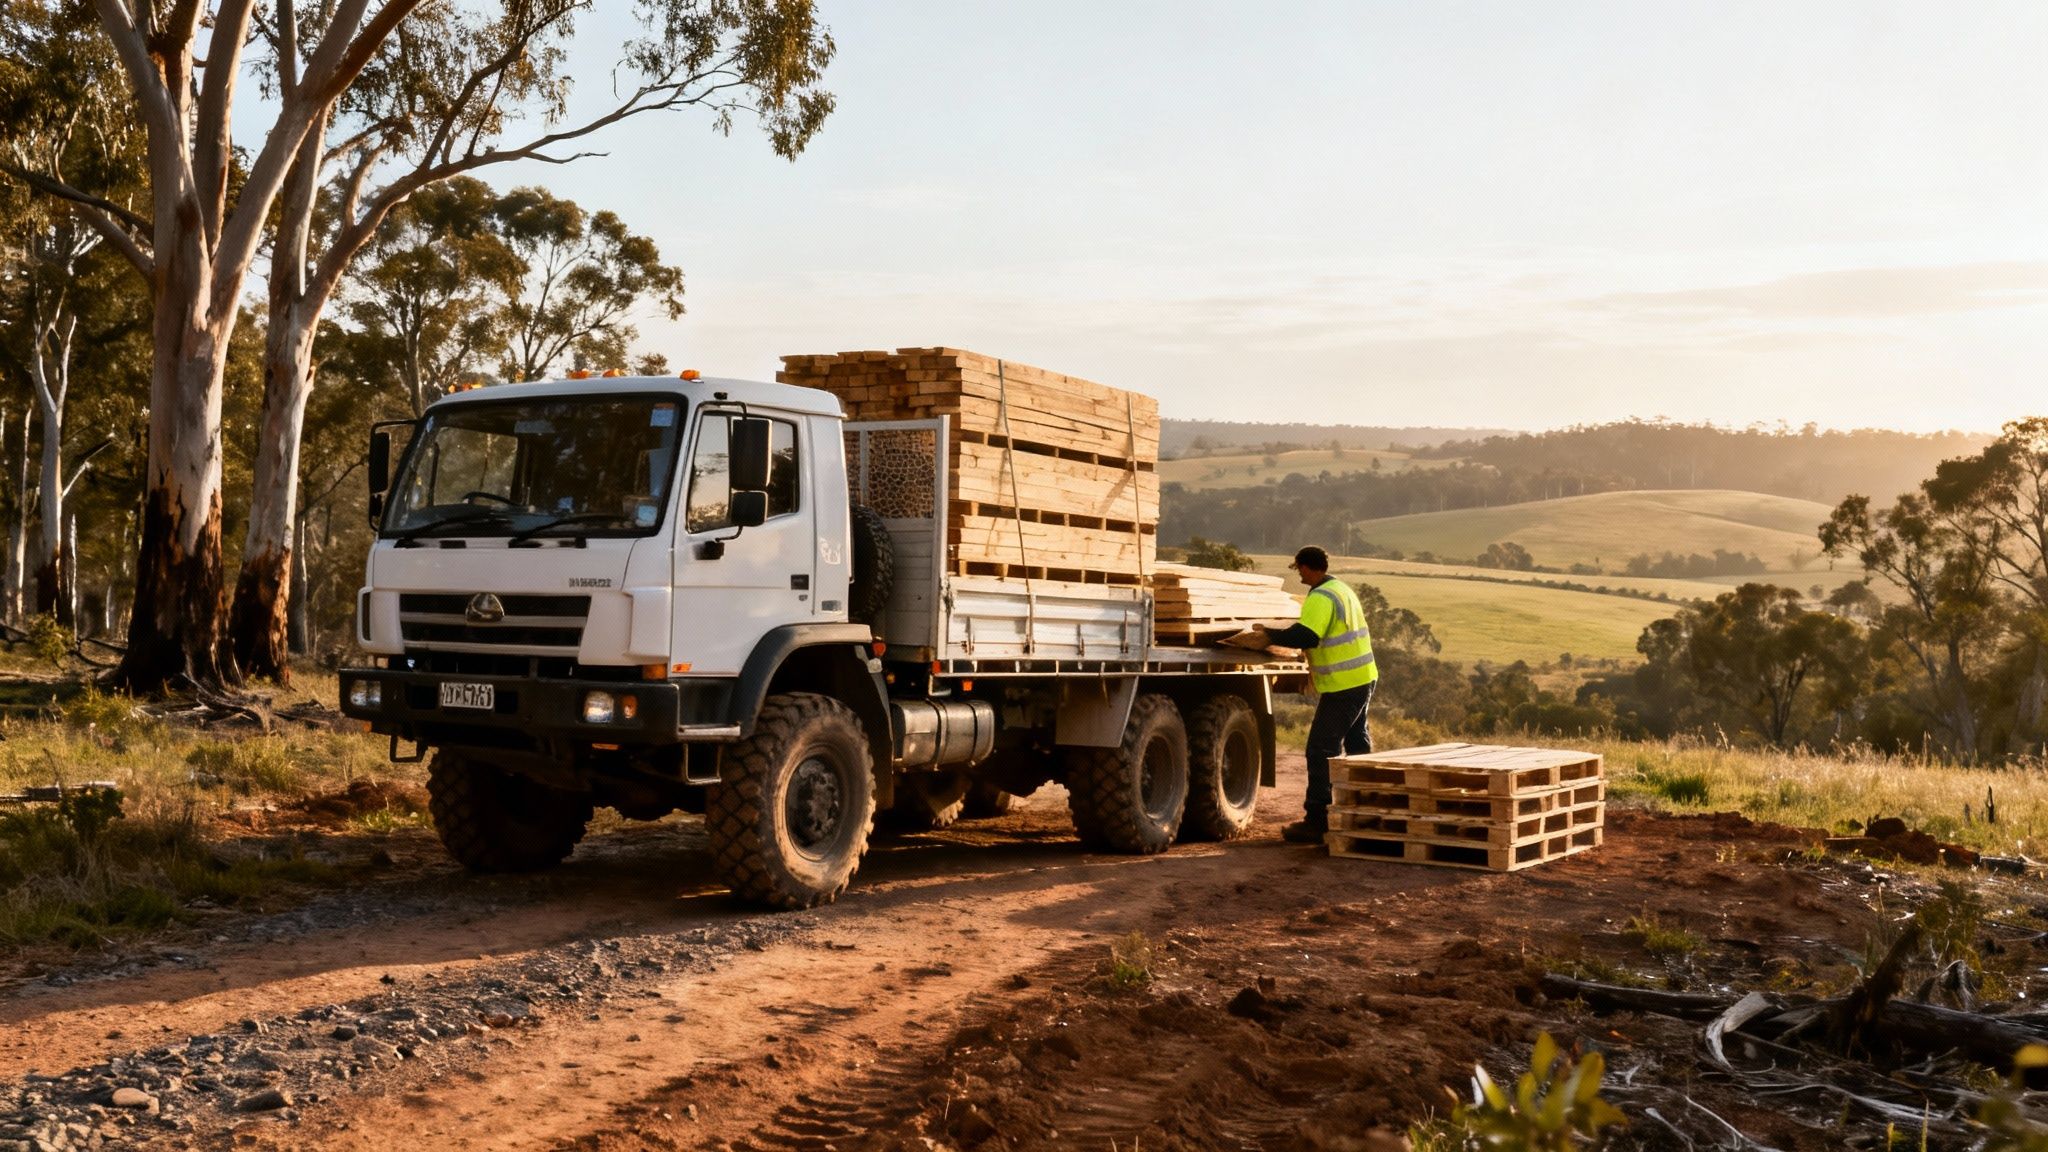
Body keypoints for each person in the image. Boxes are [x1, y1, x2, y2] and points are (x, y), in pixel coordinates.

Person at [1254, 546, 1377, 844]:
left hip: (1342, 685)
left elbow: (1307, 636)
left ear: (1308, 568)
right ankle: (1367, 809)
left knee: (1320, 749)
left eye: (1299, 570)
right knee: (1357, 743)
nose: (1299, 576)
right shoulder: (1342, 589)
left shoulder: (1321, 597)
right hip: (1363, 677)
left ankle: (1317, 820)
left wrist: (1269, 634)